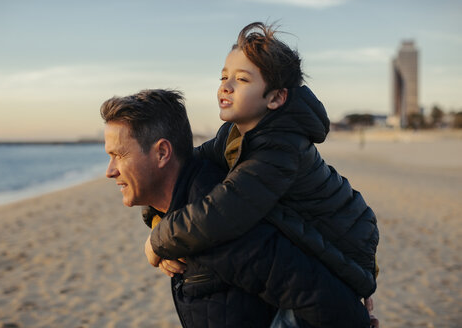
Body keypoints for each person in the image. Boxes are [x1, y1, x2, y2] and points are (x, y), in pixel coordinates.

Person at [146, 22, 380, 323]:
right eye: (224, 76)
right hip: (312, 239)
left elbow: (226, 211)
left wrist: (160, 240)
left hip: (343, 247)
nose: (225, 87)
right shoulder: (232, 134)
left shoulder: (279, 147)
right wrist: (155, 216)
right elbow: (185, 170)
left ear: (275, 98)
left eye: (241, 79)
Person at [101, 89, 371, 327]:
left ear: (162, 153)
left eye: (119, 155)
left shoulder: (216, 226)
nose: (109, 171)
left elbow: (317, 293)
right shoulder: (187, 209)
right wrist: (159, 230)